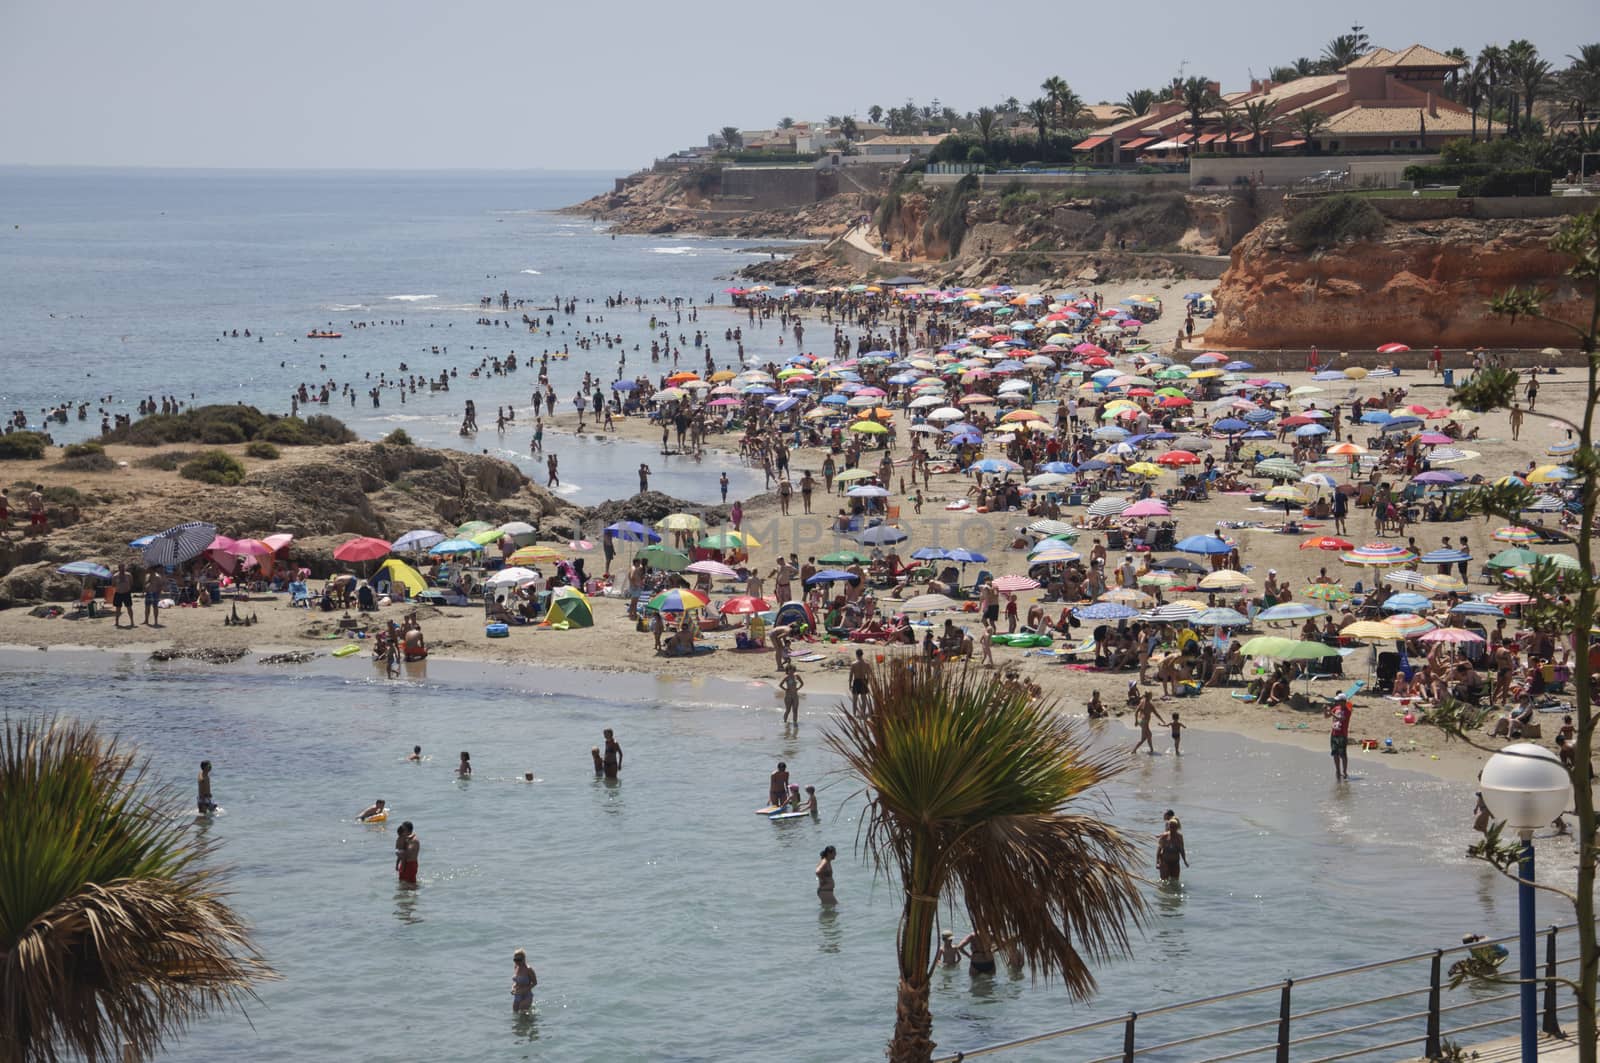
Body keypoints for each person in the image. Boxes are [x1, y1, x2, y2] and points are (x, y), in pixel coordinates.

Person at [1327, 697, 1352, 781]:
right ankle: (1338, 770)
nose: (1337, 702)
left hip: (1342, 734)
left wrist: (1331, 712)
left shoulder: (1348, 711)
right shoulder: (1336, 708)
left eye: (1339, 701)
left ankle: (1344, 771)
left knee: (1343, 754)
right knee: (1335, 753)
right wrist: (1325, 710)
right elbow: (1326, 716)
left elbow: (1341, 718)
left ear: (1344, 702)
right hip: (1334, 733)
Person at [1157, 817, 1189, 882]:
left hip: (1175, 862)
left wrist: (1185, 861)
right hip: (1165, 862)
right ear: (1168, 827)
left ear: (1177, 828)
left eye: (1174, 827)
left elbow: (1182, 850)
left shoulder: (1180, 837)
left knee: (1175, 881)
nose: (1172, 829)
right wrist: (1157, 862)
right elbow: (1159, 850)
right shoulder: (1164, 836)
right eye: (1170, 827)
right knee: (1164, 881)